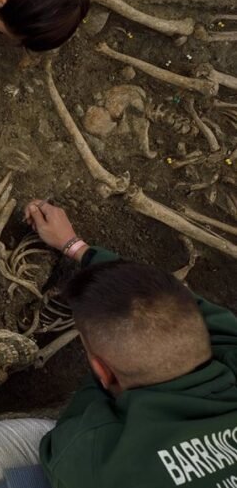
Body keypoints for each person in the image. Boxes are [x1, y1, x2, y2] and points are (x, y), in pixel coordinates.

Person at [24, 199, 237, 488]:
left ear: (102, 371)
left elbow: (70, 440)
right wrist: (75, 246)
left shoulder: (96, 460)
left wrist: (74, 245)